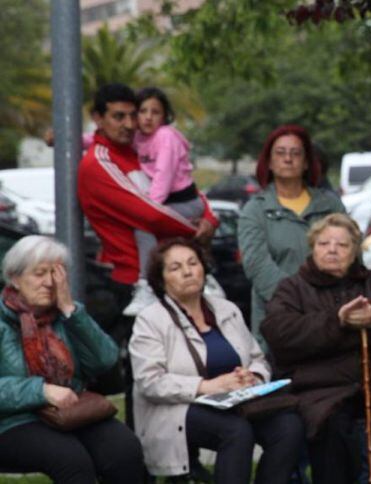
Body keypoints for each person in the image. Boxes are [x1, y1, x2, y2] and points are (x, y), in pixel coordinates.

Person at [77, 83, 220, 421]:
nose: (129, 123)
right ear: (98, 118)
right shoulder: (100, 163)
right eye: (118, 116)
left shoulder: (140, 148)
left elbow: (181, 191)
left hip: (166, 274)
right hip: (133, 281)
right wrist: (194, 232)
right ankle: (138, 463)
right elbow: (150, 213)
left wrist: (209, 218)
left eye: (134, 114)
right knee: (144, 380)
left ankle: (183, 460)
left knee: (183, 367)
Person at [261, 214, 371, 484]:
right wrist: (337, 320)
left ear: (354, 250)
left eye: (341, 245)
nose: (332, 249)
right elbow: (278, 333)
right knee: (331, 431)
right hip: (322, 385)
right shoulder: (292, 289)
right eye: (324, 243)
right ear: (313, 247)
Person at [128, 238, 304, 482]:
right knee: (235, 431)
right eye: (176, 268)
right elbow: (150, 382)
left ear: (203, 268)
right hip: (177, 409)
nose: (188, 271)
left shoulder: (226, 309)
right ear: (161, 279)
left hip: (236, 402)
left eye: (193, 263)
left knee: (288, 427)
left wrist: (252, 376)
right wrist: (208, 386)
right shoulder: (151, 320)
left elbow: (257, 358)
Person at [0, 235, 145, 482]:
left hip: (70, 412)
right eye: (39, 273)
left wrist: (71, 312)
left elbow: (105, 360)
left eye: (56, 274)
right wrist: (41, 391)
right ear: (15, 278)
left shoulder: (66, 315)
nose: (48, 283)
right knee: (70, 460)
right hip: (12, 421)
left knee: (124, 450)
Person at [238, 124, 346, 351]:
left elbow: (352, 254)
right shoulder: (255, 210)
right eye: (280, 152)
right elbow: (258, 266)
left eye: (296, 153)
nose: (288, 159)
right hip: (279, 323)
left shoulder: (330, 204)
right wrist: (303, 302)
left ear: (307, 162)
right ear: (268, 161)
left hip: (333, 319)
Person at [123, 87, 226, 317]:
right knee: (165, 241)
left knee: (145, 227)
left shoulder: (166, 137)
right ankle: (204, 279)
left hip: (184, 201)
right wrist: (72, 139)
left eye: (155, 112)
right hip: (163, 202)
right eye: (143, 111)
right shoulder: (138, 137)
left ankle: (148, 285)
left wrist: (150, 211)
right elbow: (99, 138)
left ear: (165, 116)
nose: (148, 117)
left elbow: (164, 176)